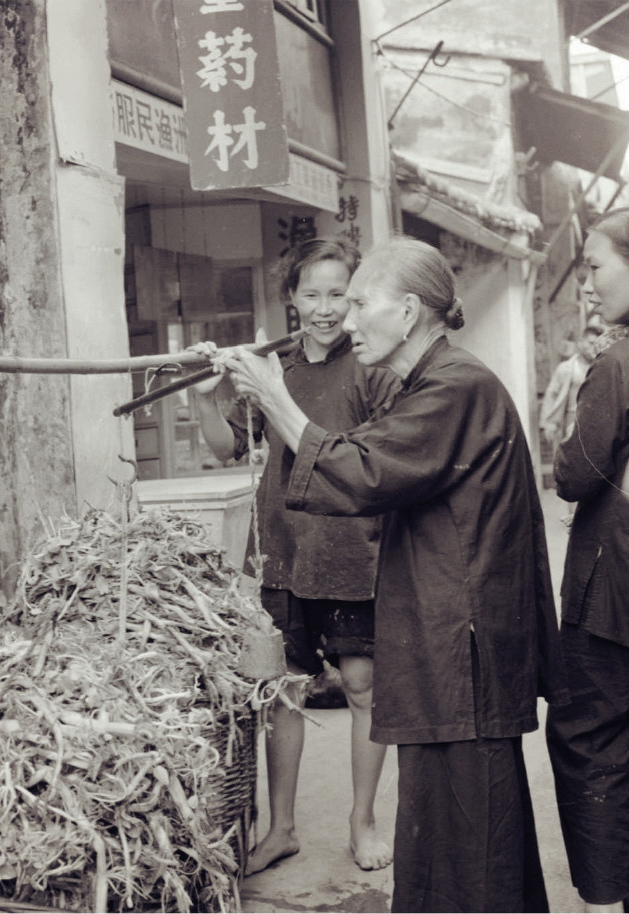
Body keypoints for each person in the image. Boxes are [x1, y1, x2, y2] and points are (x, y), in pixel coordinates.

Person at [219, 237, 567, 913]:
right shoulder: (428, 383)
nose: (345, 320)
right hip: (443, 644)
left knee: (472, 831)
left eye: (358, 302)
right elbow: (363, 447)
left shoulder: (457, 388)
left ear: (408, 313)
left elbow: (363, 469)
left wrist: (272, 393)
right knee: (448, 830)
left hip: (460, 652)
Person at [193, 237, 398, 874]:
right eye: (312, 294)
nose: (326, 308)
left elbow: (376, 465)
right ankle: (281, 828)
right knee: (284, 692)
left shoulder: (371, 366)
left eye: (339, 293)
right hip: (283, 551)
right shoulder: (272, 364)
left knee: (363, 687)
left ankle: (361, 822)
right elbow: (225, 449)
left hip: (355, 550)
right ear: (291, 300)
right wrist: (206, 395)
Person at [545, 207, 629, 913]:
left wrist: (561, 450)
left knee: (591, 736)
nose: (588, 286)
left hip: (614, 589)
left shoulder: (615, 363)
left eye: (598, 267)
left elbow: (575, 474)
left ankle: (607, 896)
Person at [539, 326, 599, 451]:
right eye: (591, 343)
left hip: (595, 419)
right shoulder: (566, 368)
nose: (594, 348)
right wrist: (549, 423)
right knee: (570, 453)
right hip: (571, 418)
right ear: (580, 342)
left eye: (597, 344)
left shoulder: (601, 367)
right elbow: (552, 394)